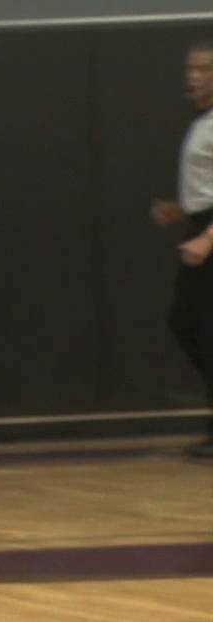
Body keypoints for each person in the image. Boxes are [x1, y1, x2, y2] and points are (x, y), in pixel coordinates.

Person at [152, 41, 213, 459]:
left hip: (210, 233)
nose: (193, 76)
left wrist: (208, 238)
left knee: (203, 330)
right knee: (189, 324)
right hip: (199, 222)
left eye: (203, 69)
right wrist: (181, 210)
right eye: (190, 69)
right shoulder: (202, 121)